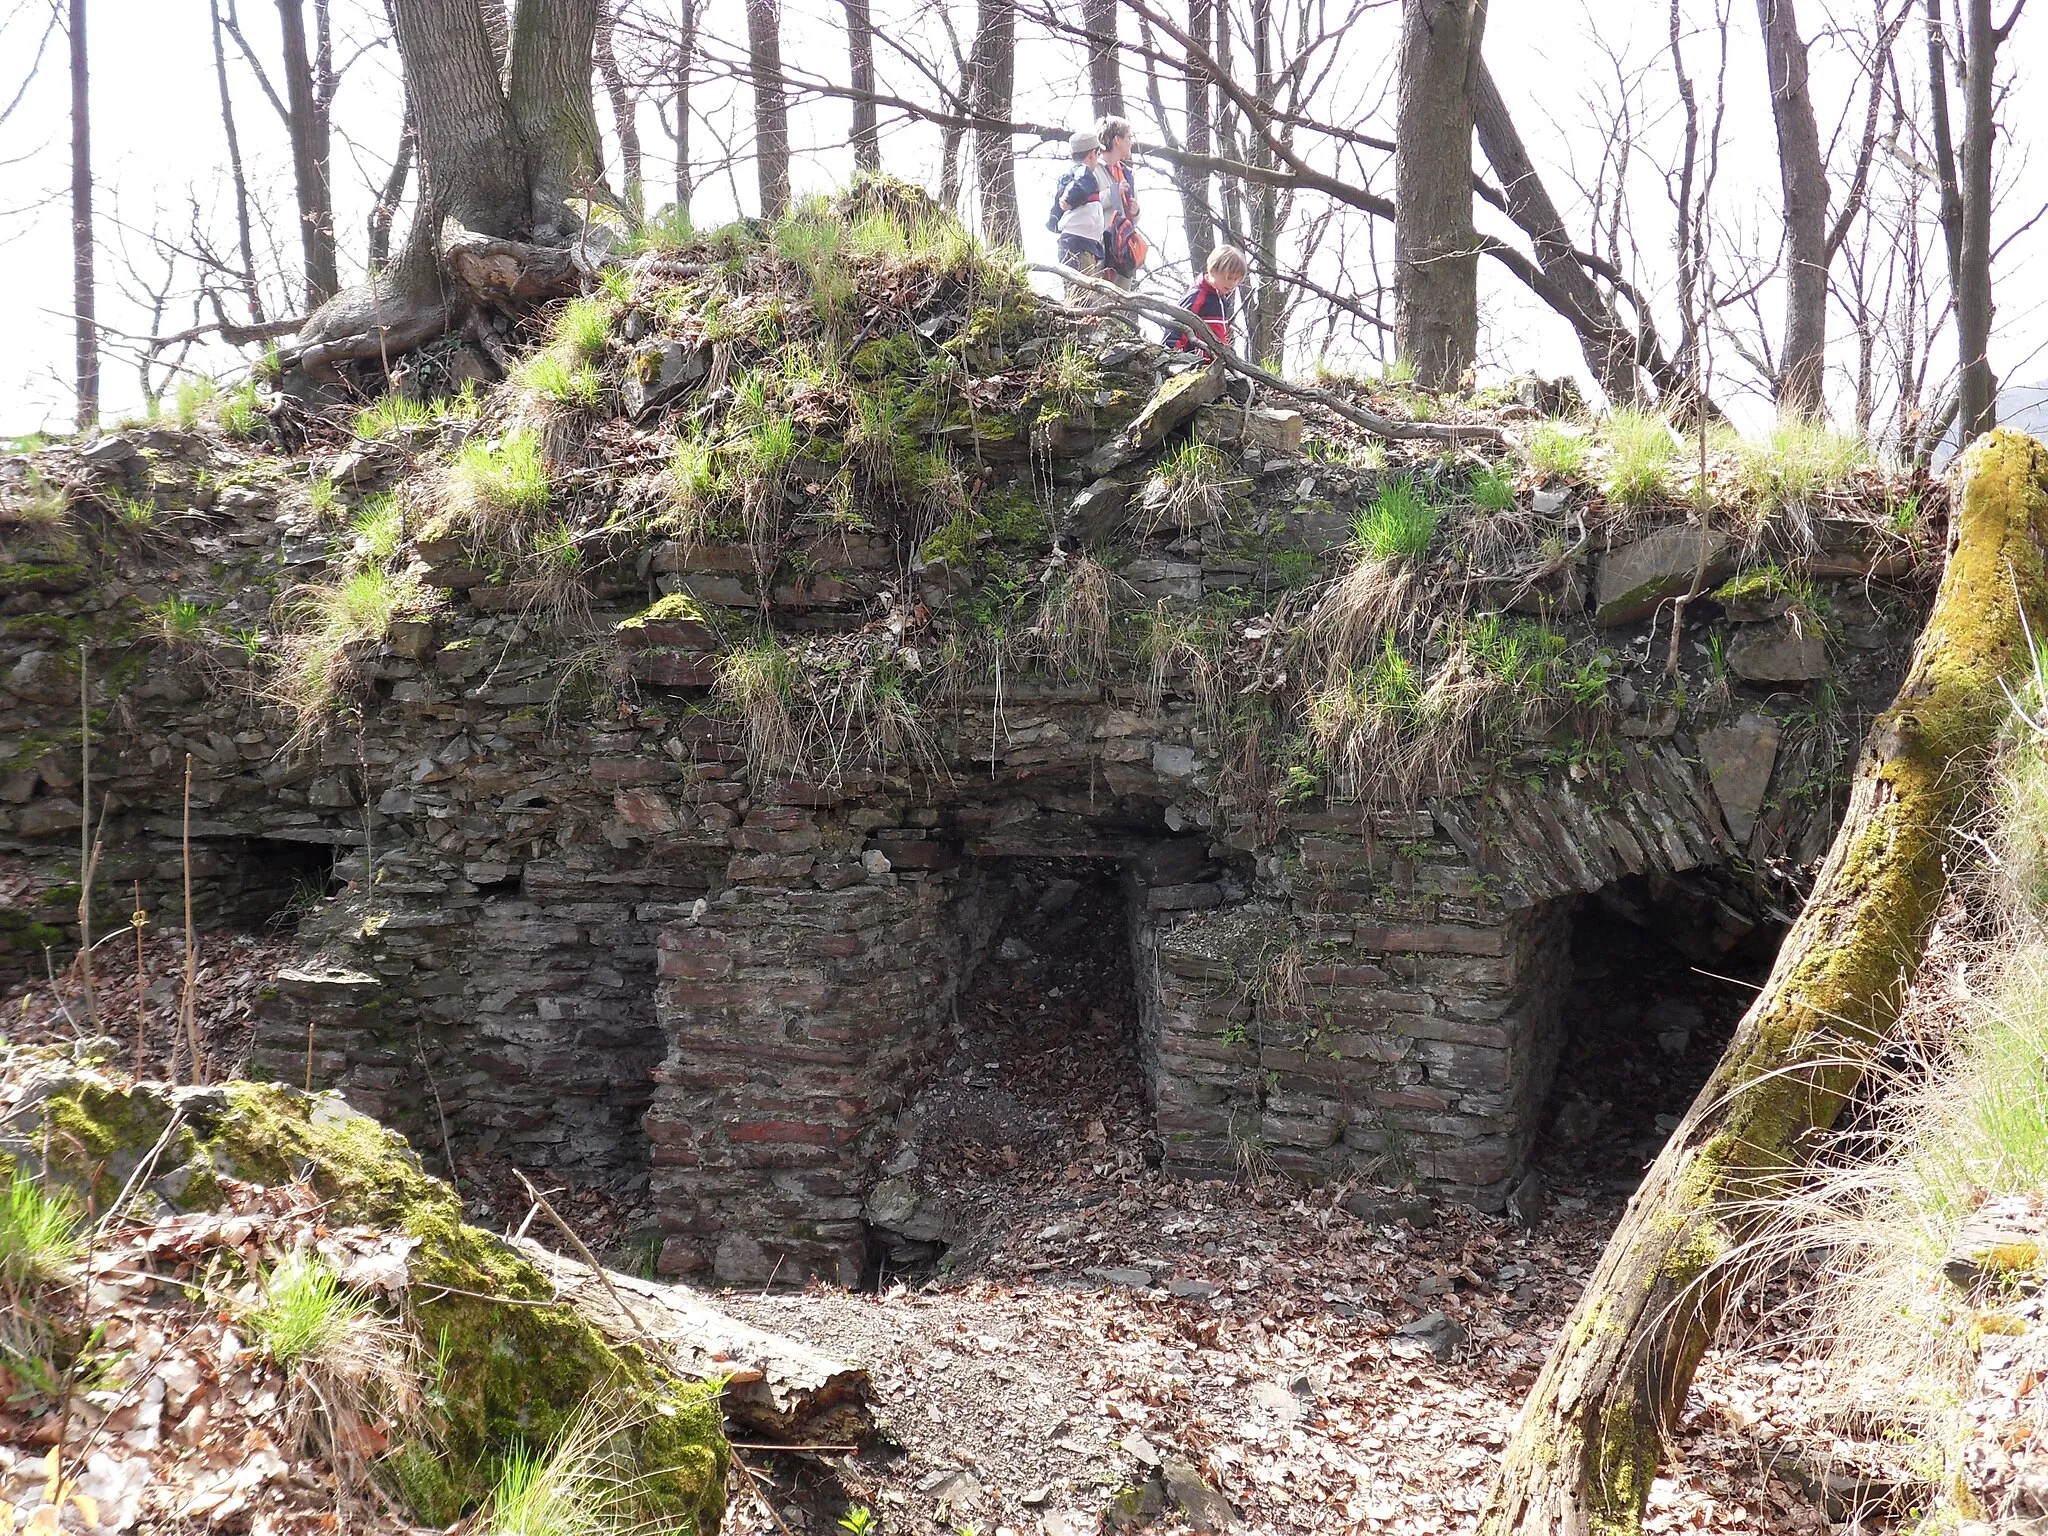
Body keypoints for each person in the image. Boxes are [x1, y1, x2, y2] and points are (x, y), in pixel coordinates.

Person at [1095, 116, 1148, 287]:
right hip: (1101, 249)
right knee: (1096, 301)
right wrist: (1112, 194)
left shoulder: (1128, 174)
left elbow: (1132, 218)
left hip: (1124, 251)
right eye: (1129, 137)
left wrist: (1137, 212)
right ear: (1117, 140)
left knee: (1120, 307)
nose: (1132, 142)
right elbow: (1086, 204)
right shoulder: (1093, 169)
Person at [1167, 245, 1250, 353]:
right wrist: (1172, 354)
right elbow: (1176, 327)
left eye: (1236, 280)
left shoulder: (1222, 302)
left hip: (1213, 363)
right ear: (1213, 270)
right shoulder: (1196, 296)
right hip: (1192, 362)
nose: (1232, 284)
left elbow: (1220, 336)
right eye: (1229, 277)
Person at [1050, 129, 1107, 284]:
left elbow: (1056, 208)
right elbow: (1080, 186)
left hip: (1075, 243)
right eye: (1098, 153)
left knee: (1076, 290)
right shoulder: (1084, 172)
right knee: (1083, 294)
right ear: (1091, 154)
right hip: (1079, 245)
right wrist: (1070, 198)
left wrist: (1053, 222)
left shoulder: (1067, 176)